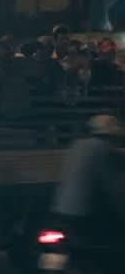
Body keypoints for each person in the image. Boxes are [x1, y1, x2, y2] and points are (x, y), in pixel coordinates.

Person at [53, 115, 125, 273]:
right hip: (86, 214)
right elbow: (112, 186)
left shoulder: (78, 145)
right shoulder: (104, 150)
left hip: (62, 211)